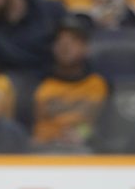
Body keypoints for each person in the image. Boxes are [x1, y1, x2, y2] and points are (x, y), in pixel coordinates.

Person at [32, 17, 110, 149]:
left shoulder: (99, 85)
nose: (65, 44)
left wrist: (83, 133)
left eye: (74, 40)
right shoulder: (43, 87)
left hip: (89, 151)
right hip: (49, 153)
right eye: (59, 40)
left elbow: (105, 125)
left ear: (87, 48)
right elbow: (36, 133)